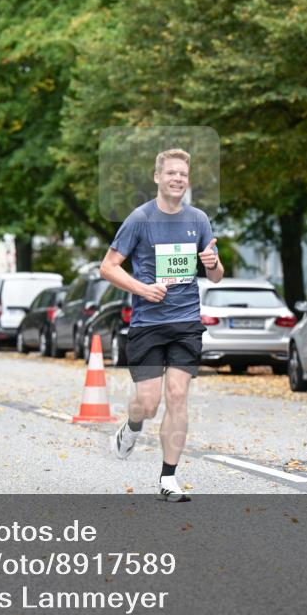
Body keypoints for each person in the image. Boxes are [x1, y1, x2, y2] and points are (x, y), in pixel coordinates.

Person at [99, 148, 224, 502]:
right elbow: (108, 267)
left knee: (178, 395)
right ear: (157, 177)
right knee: (148, 403)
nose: (177, 179)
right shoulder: (139, 219)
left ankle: (168, 478)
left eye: (183, 174)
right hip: (148, 324)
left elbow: (215, 276)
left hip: (186, 322)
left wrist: (213, 263)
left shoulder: (198, 219)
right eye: (171, 173)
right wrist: (142, 289)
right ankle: (132, 426)